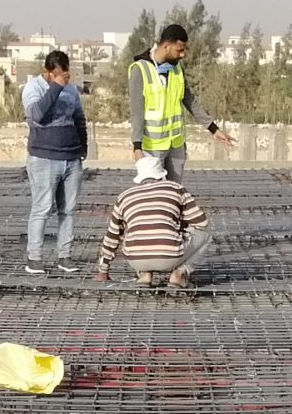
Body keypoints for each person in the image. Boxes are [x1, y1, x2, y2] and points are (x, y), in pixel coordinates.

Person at [128, 23, 232, 179]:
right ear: (166, 46)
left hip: (176, 146)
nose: (183, 54)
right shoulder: (140, 70)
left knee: (175, 190)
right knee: (155, 192)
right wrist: (137, 147)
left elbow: (190, 100)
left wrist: (213, 129)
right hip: (152, 148)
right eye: (179, 50)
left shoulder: (177, 69)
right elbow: (136, 112)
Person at [93, 155, 213, 288]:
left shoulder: (124, 197)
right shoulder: (175, 188)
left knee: (135, 234)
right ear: (161, 175)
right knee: (206, 236)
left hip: (135, 259)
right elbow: (202, 223)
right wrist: (179, 226)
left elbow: (112, 236)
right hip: (169, 255)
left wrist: (103, 271)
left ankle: (144, 274)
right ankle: (179, 274)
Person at [21, 50, 88, 274]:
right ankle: (34, 258)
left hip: (71, 158)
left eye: (65, 75)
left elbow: (79, 118)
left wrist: (83, 146)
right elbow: (37, 115)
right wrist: (56, 88)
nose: (63, 79)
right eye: (58, 75)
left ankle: (65, 256)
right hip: (44, 158)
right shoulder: (33, 87)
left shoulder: (72, 90)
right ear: (48, 72)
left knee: (68, 210)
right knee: (42, 208)